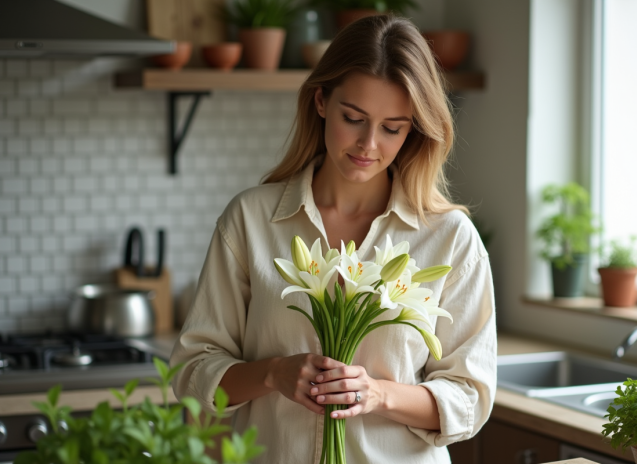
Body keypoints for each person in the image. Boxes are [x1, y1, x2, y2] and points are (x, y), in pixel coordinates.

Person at [170, 14, 496, 464]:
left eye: (392, 127)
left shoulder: (449, 238)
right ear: (321, 101)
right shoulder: (251, 220)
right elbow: (191, 371)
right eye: (353, 118)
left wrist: (379, 394)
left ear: (414, 129)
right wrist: (272, 374)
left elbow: (470, 398)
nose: (368, 144)